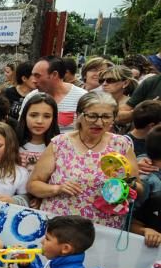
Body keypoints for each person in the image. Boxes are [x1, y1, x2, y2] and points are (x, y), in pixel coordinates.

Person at [29, 92, 137, 229]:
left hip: (104, 226)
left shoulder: (121, 145)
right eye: (92, 116)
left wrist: (124, 183)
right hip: (60, 225)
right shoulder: (60, 143)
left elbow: (137, 186)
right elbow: (33, 184)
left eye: (106, 117)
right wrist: (57, 188)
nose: (99, 122)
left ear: (113, 118)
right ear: (79, 115)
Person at [20, 56, 87, 132]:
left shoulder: (82, 97)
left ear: (54, 74)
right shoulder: (31, 97)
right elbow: (22, 126)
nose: (33, 80)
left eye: (37, 76)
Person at [16, 93, 59, 172]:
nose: (39, 121)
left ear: (53, 119)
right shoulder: (12, 143)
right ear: (24, 116)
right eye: (33, 115)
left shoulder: (60, 146)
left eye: (46, 116)